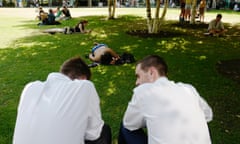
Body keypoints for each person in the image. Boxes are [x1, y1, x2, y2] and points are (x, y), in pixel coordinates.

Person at [13, 56, 112, 144]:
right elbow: (93, 134)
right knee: (104, 130)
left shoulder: (30, 87)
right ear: (83, 78)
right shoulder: (85, 86)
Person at [118, 55, 213, 144]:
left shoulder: (144, 92)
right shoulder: (189, 89)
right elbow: (208, 115)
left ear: (152, 72)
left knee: (125, 126)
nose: (137, 82)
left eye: (138, 76)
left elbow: (129, 124)